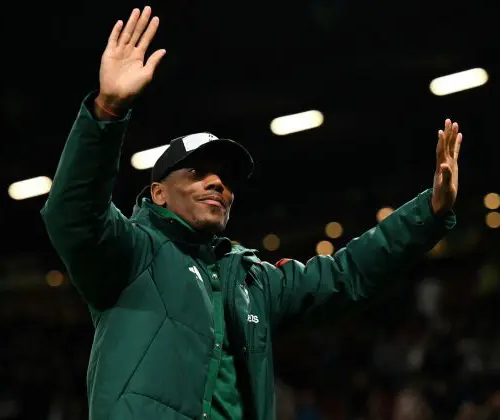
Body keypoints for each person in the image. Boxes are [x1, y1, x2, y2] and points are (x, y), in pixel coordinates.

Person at [41, 6, 463, 420]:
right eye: (199, 171)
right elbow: (73, 215)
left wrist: (429, 212)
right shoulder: (132, 252)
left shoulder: (252, 281)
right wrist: (106, 113)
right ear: (158, 193)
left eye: (226, 178)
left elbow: (344, 275)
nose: (218, 183)